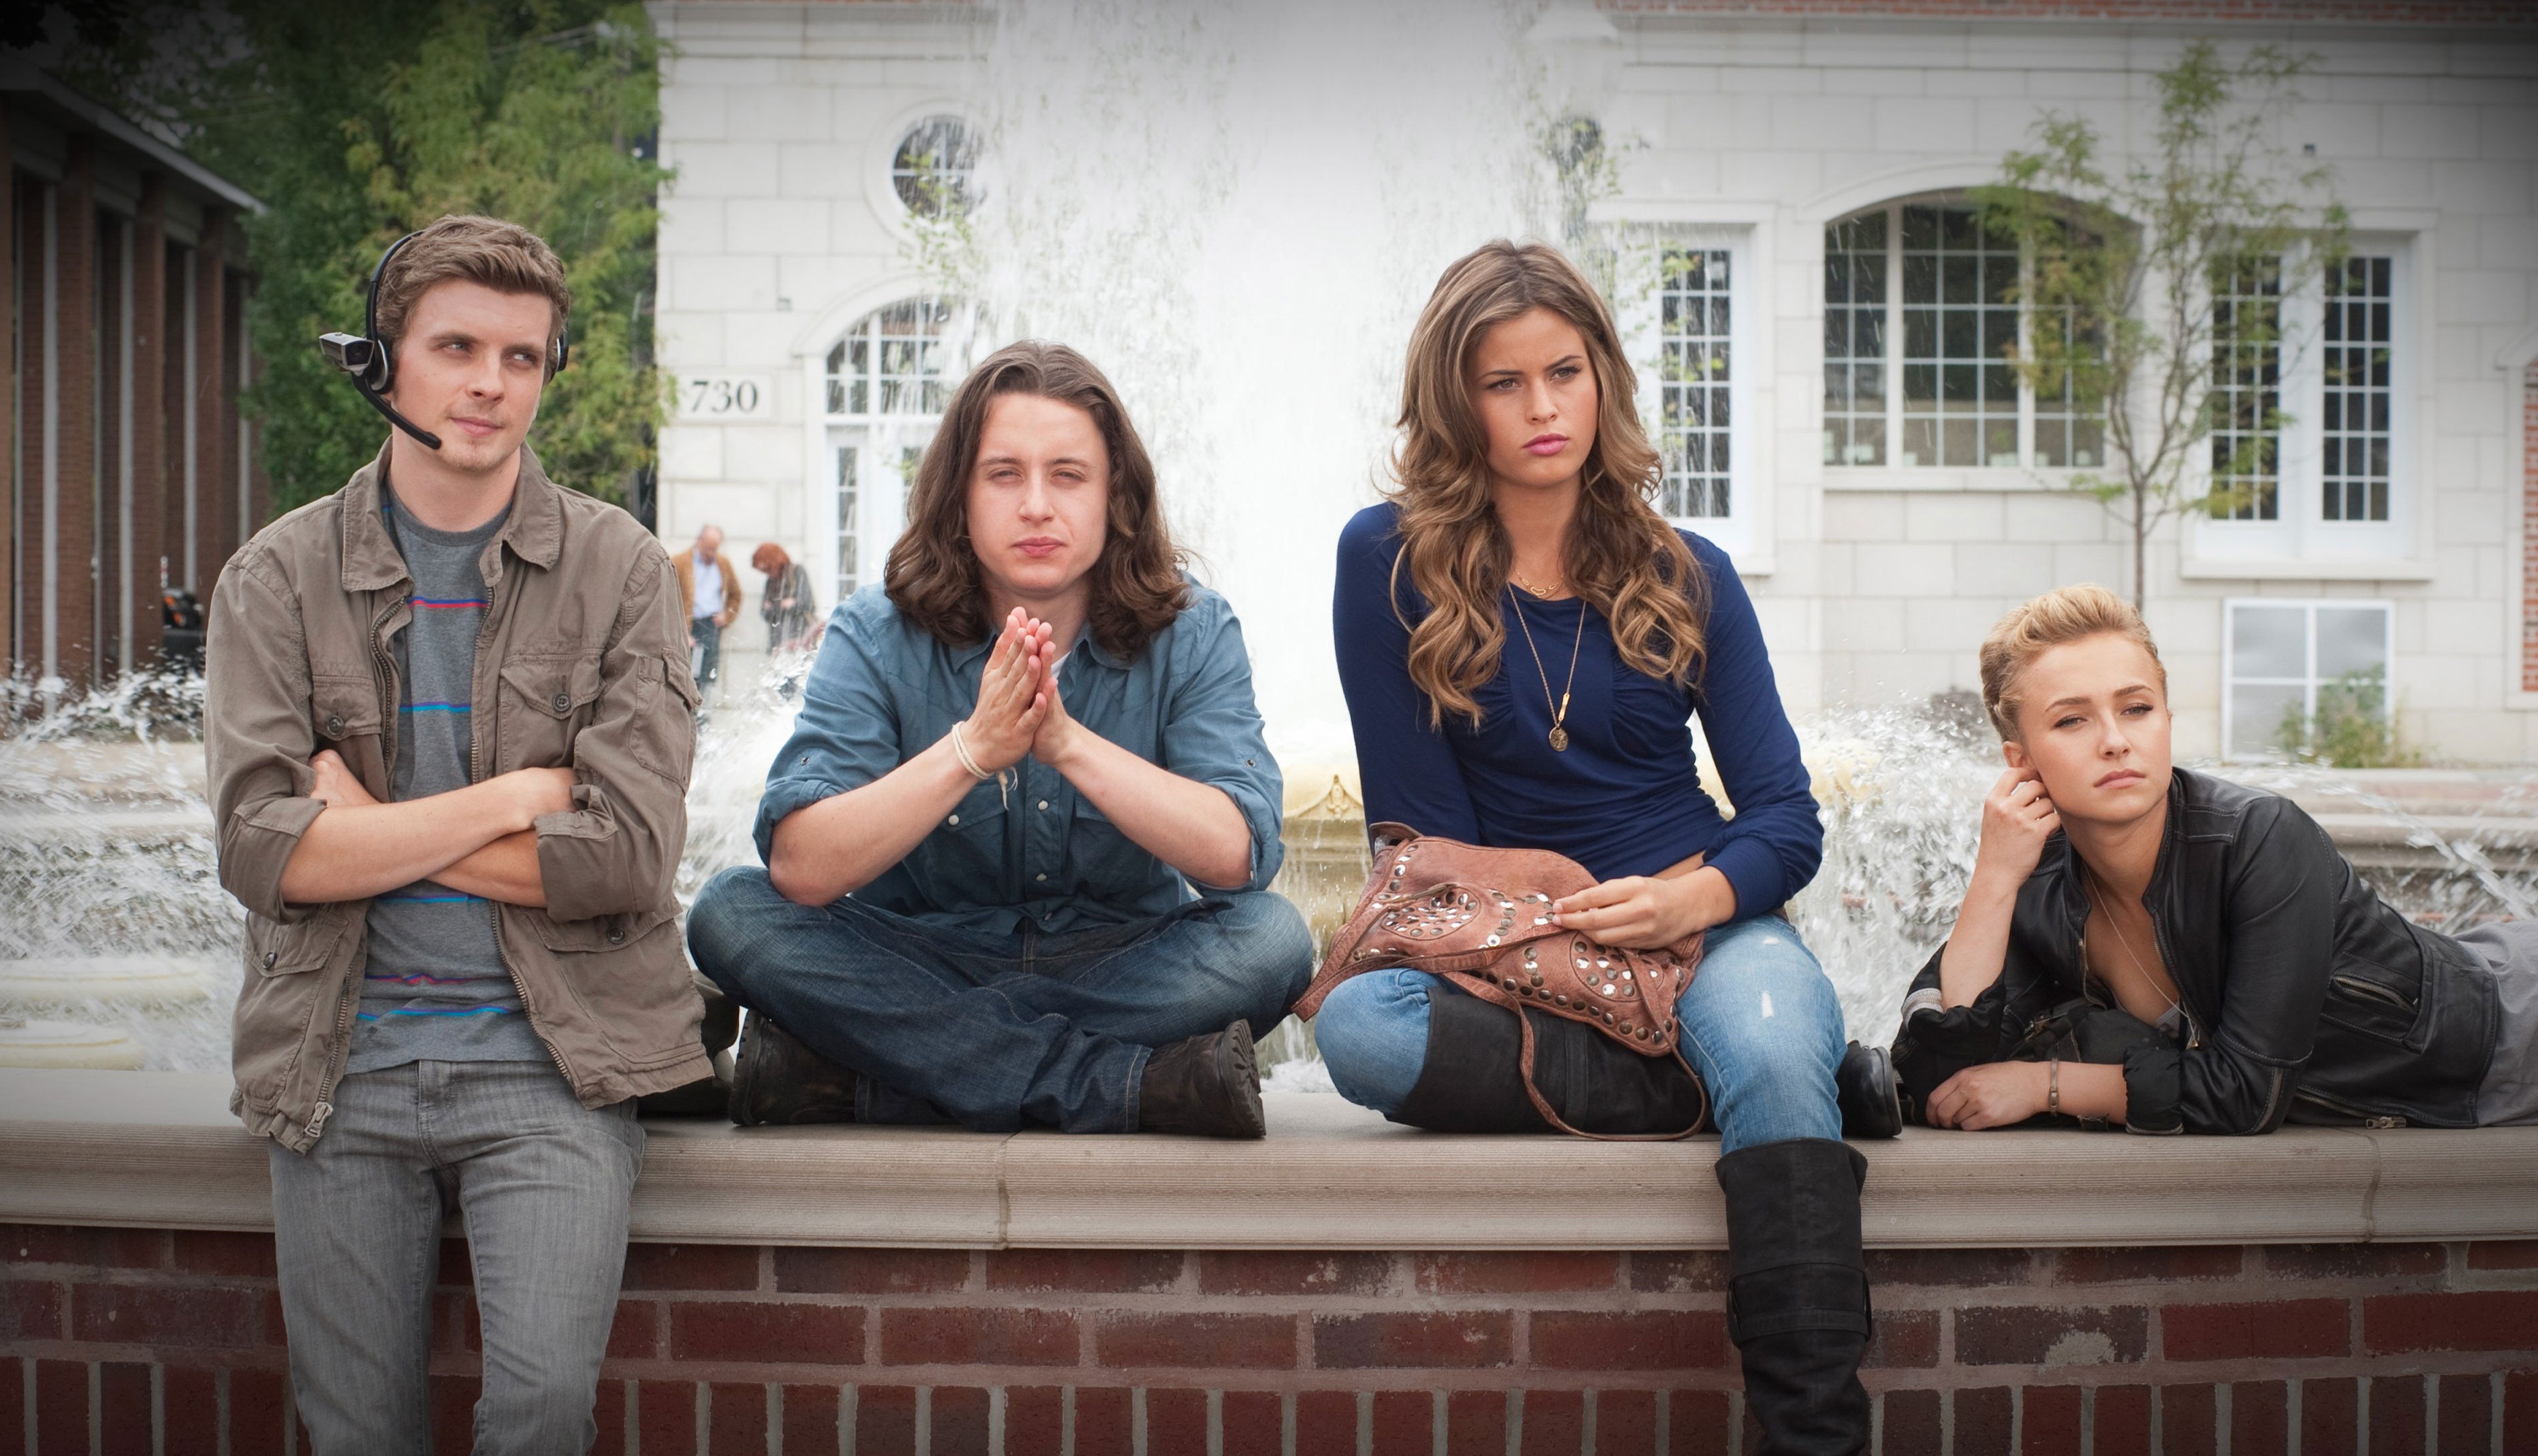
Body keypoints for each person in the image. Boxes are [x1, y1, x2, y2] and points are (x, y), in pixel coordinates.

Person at [1316, 241, 1873, 1453]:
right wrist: (1560, 932)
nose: (1543, 407)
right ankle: (1731, 1079)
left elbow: (1786, 819)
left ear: (1603, 377)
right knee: (1358, 1029)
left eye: (1564, 372)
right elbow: (1419, 837)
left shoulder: (1688, 573)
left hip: (1700, 926)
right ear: (1456, 401)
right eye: (1504, 382)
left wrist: (1689, 905)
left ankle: (1813, 1435)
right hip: (1507, 945)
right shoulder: (1388, 562)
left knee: (1770, 1042)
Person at [205, 214, 706, 1450]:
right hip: (342, 1067)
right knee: (354, 1434)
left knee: (540, 1413)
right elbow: (264, 853)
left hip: (553, 1067)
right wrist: (509, 800)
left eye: (521, 357)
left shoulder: (623, 570)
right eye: (457, 348)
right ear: (384, 362)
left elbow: (627, 858)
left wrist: (369, 832)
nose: (490, 383)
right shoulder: (274, 578)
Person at [684, 340, 1314, 1138]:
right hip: (918, 959)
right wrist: (973, 750)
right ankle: (1119, 1084)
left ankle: (891, 1074)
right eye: (1005, 475)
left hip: (1115, 963)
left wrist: (1068, 746)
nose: (1037, 506)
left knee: (1273, 941)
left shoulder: (1192, 629)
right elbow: (802, 868)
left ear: (1116, 496)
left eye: (1069, 475)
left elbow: (1237, 857)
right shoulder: (874, 632)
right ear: (960, 496)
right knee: (730, 914)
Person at [1893, 584, 2537, 1134]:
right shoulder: (2039, 878)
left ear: (2167, 720)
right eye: (2072, 721)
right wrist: (1994, 876)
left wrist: (2047, 1085)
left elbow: (2248, 1093)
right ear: (2021, 762)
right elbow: (1945, 1067)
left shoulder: (2258, 838)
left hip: (2511, 1037)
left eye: (2136, 708)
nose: (2116, 741)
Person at [674, 524, 742, 698]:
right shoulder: (680, 562)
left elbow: (736, 594)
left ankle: (704, 710)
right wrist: (681, 632)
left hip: (711, 624)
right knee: (689, 674)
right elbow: (669, 599)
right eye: (709, 548)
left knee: (709, 674)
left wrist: (727, 616)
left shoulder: (723, 563)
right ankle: (689, 710)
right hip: (688, 625)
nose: (712, 553)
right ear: (699, 541)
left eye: (715, 549)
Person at [754, 540, 821, 654]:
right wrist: (785, 604)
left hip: (800, 640)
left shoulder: (797, 572)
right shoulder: (770, 582)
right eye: (764, 570)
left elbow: (808, 604)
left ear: (775, 562)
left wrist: (780, 606)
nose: (767, 573)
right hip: (778, 642)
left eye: (768, 569)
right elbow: (764, 613)